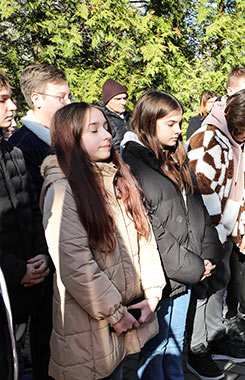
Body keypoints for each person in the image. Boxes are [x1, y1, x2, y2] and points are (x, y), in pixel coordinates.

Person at [40, 102, 166, 379]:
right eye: (93, 130)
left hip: (125, 314)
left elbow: (144, 238)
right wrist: (116, 313)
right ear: (69, 138)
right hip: (90, 325)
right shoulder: (63, 189)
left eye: (106, 128)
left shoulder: (115, 179)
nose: (107, 135)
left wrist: (153, 293)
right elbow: (75, 263)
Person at [121, 90, 216, 380]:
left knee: (174, 352)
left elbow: (198, 210)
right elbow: (151, 231)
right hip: (161, 278)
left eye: (179, 123)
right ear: (149, 123)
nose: (178, 130)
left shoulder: (177, 158)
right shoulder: (132, 165)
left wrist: (209, 255)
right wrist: (194, 267)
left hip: (187, 275)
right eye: (170, 124)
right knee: (155, 352)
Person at [188, 88, 245, 378]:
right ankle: (196, 348)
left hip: (226, 230)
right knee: (202, 288)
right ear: (237, 119)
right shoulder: (207, 139)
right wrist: (215, 233)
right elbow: (200, 189)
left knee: (219, 285)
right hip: (205, 232)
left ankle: (215, 336)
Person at [0, 69, 50, 380]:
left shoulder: (14, 153)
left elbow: (34, 211)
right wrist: (15, 271)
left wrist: (42, 256)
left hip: (28, 284)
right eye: (2, 100)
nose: (12, 106)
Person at [10, 64, 72, 198]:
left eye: (69, 96)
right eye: (60, 97)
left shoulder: (71, 138)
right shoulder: (21, 147)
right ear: (37, 100)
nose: (69, 103)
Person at [100, 79, 130, 152]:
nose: (123, 102)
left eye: (124, 98)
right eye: (118, 99)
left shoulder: (130, 118)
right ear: (107, 101)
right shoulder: (102, 120)